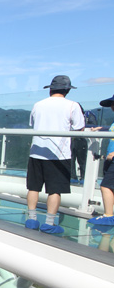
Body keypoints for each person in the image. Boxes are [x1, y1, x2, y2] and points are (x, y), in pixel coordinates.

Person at [25, 75, 85, 234]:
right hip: (59, 154)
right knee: (55, 190)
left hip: (37, 152)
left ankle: (31, 220)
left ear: (50, 89)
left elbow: (32, 124)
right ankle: (49, 223)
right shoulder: (72, 105)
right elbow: (79, 128)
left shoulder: (38, 104)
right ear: (67, 90)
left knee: (33, 187)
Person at [89, 94, 114, 225]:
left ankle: (108, 216)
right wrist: (102, 128)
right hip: (111, 159)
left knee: (106, 186)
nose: (112, 107)